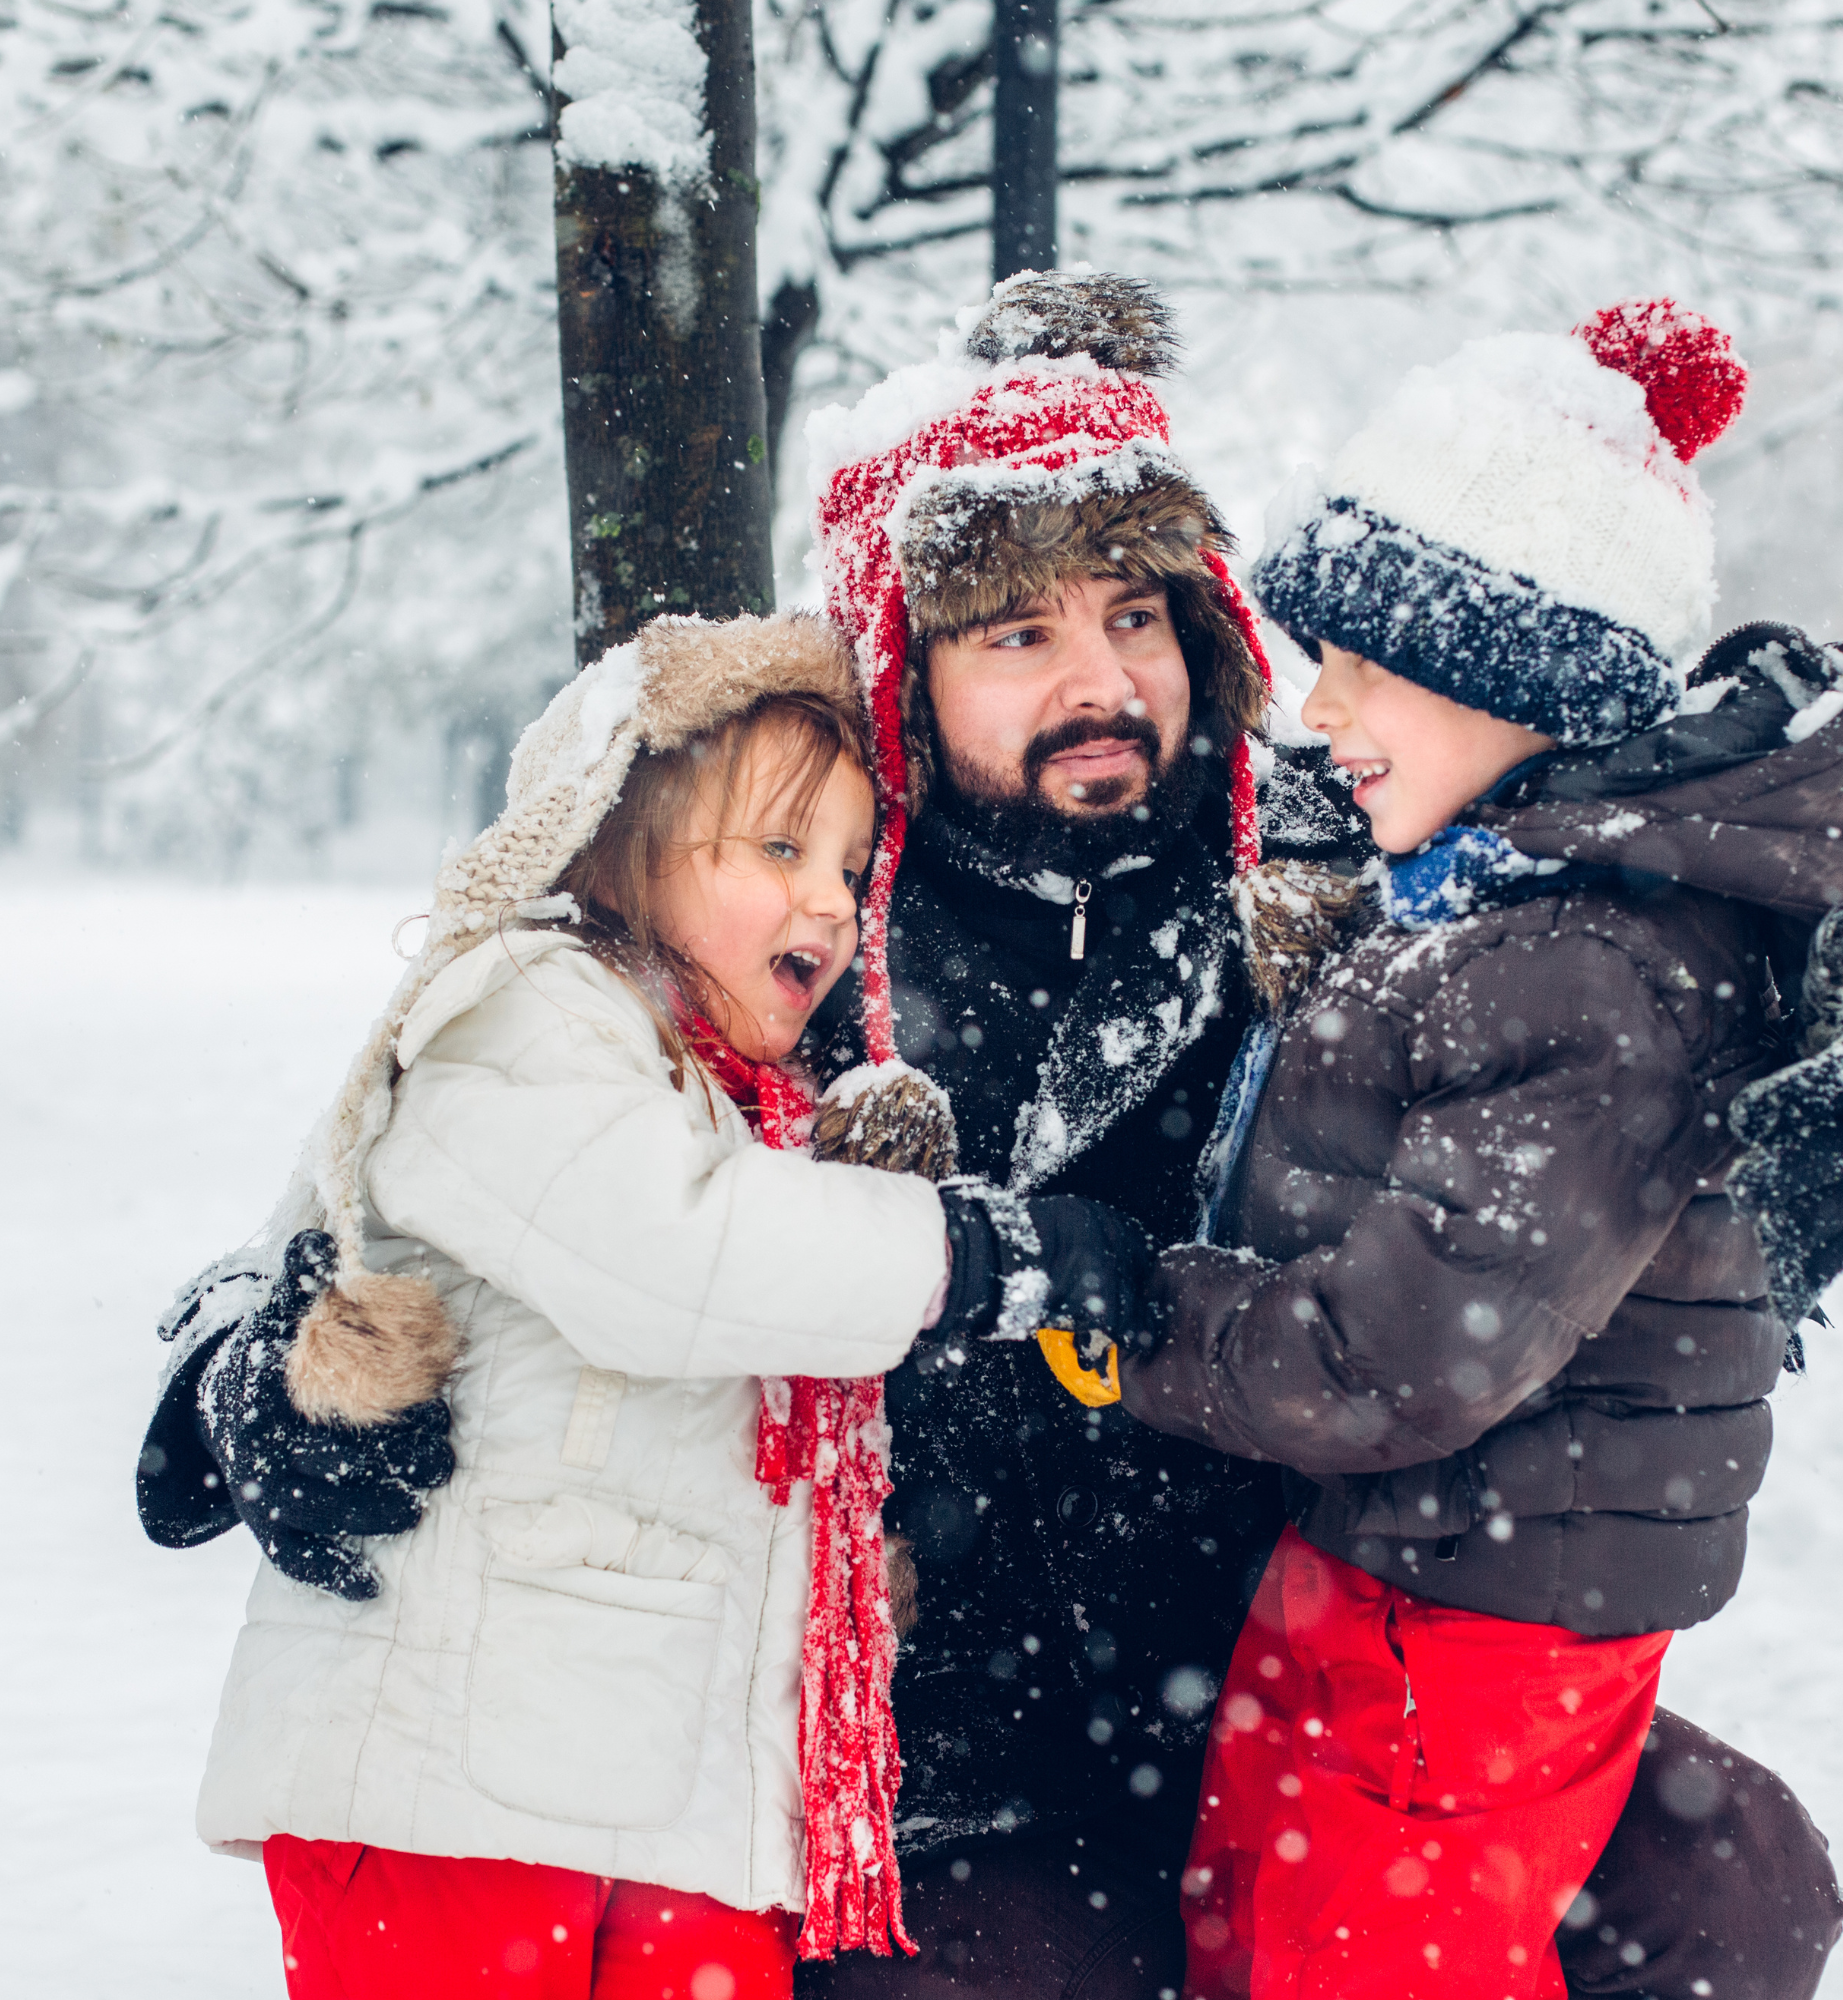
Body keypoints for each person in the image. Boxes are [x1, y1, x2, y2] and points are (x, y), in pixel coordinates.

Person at [141, 276, 1843, 1998]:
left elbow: (1646, 857)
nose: (1100, 681)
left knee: (1728, 1879)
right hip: (932, 1735)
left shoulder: (1337, 871)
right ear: (906, 661)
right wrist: (253, 1360)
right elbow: (424, 1129)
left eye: (1138, 615)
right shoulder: (789, 912)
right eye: (1016, 636)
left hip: (1262, 1654)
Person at [1115, 302, 1843, 1999]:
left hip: (1469, 1606)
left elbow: (1401, 1361)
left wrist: (1117, 1314)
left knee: (1348, 1954)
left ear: (1517, 681)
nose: (1318, 706)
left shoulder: (1587, 970)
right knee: (1281, 1920)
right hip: (1427, 1570)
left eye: (1364, 665)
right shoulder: (1482, 892)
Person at [178, 611, 1139, 1996]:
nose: (828, 901)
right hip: (448, 1792)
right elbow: (674, 1257)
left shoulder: (753, 1114)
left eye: (852, 869)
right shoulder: (526, 1015)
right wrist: (976, 1260)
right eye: (779, 850)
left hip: (670, 1810)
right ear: (616, 846)